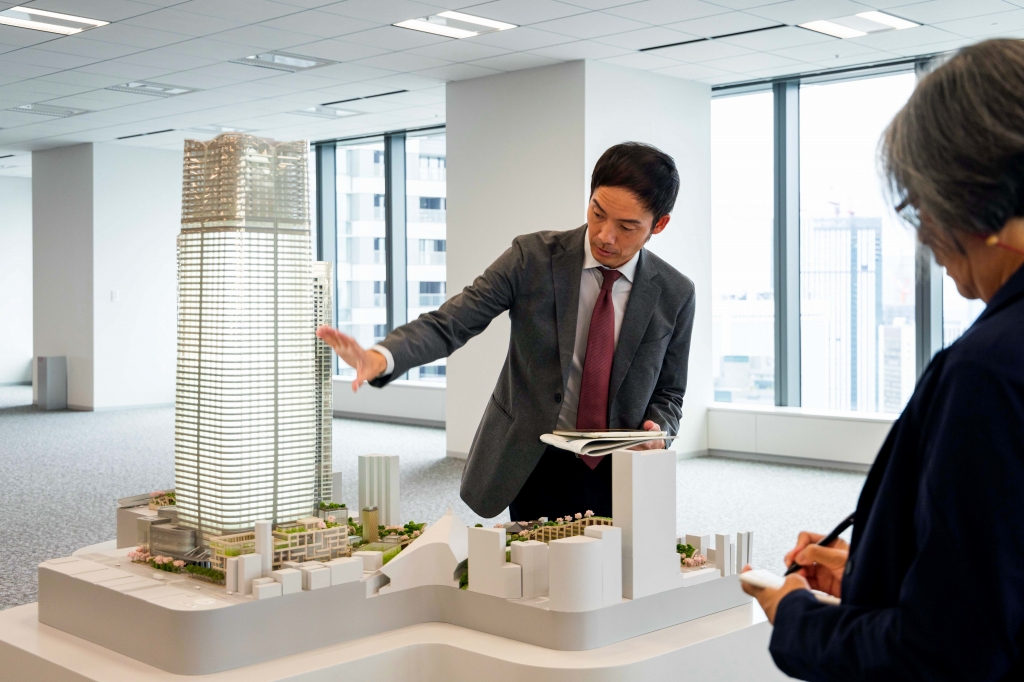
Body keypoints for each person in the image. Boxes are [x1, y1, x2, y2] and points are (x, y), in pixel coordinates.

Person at [741, 39, 1024, 680]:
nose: (922, 234)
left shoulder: (988, 371)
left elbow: (945, 655)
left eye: (920, 205)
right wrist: (879, 572)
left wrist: (797, 617)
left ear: (973, 195)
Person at [318, 142, 695, 521]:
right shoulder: (532, 258)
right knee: (531, 558)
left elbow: (669, 391)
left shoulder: (675, 293)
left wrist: (658, 429)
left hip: (622, 469)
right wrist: (382, 356)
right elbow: (453, 321)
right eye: (597, 213)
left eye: (626, 226)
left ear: (658, 225)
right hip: (535, 458)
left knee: (618, 559)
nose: (605, 235)